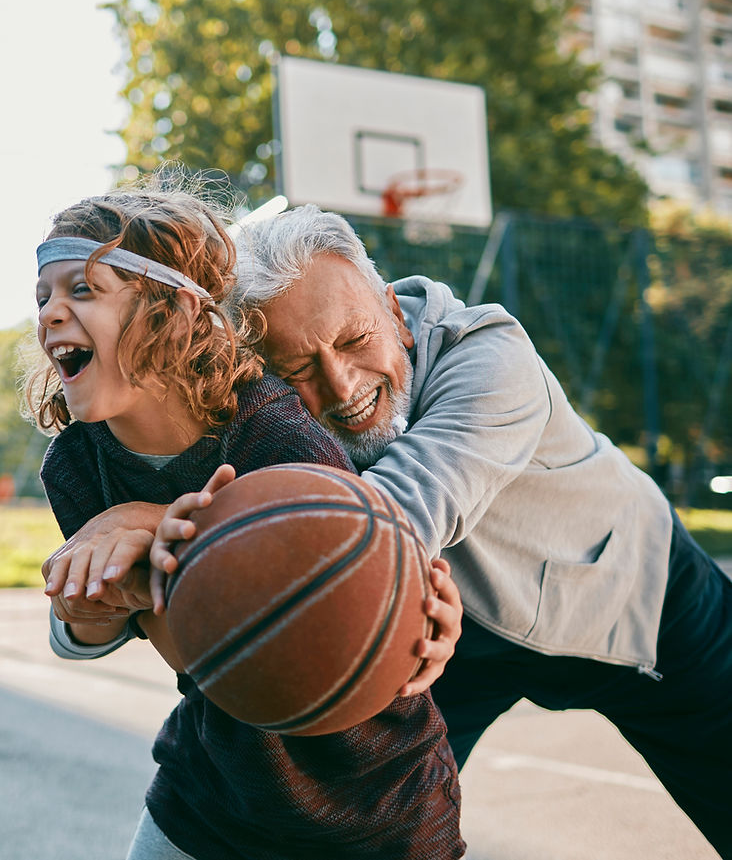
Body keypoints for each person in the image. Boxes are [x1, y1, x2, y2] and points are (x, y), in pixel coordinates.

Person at [222, 203, 730, 859]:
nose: (341, 383)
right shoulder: (270, 416)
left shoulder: (491, 358)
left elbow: (381, 528)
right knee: (346, 833)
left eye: (352, 340)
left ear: (394, 315)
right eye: (297, 369)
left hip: (635, 598)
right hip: (455, 637)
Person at [28, 178, 466, 860]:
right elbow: (202, 662)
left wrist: (170, 536)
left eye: (81, 290)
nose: (51, 313)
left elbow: (367, 599)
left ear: (166, 309)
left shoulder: (276, 435)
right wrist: (112, 599)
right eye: (43, 296)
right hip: (215, 791)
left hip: (378, 804)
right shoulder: (77, 466)